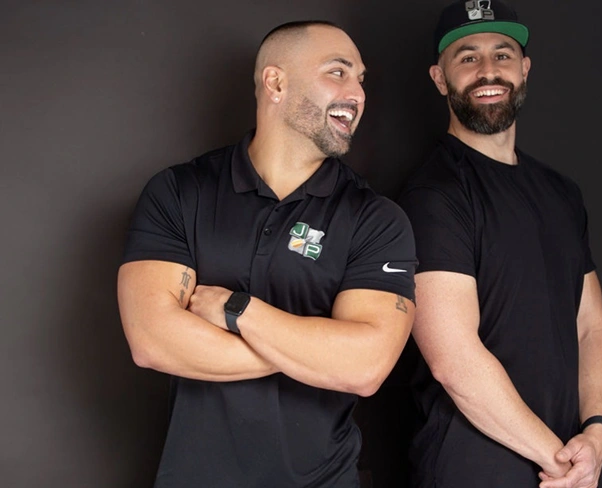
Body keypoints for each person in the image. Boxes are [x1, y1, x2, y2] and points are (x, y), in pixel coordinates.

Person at [117, 20, 416, 488]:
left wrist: (237, 310)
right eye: (338, 72)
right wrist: (316, 353)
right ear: (275, 82)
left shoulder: (376, 219)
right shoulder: (180, 192)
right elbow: (151, 341)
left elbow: (365, 367)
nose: (357, 93)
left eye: (361, 79)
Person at [397, 1, 602, 487]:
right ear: (440, 78)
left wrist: (598, 432)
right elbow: (454, 360)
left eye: (502, 54)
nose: (488, 70)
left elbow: (590, 326)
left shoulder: (561, 193)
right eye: (468, 57)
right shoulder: (434, 194)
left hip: (564, 465)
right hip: (473, 470)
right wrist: (562, 462)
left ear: (525, 69)